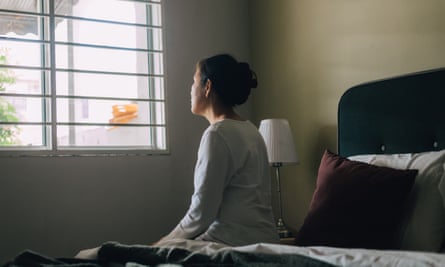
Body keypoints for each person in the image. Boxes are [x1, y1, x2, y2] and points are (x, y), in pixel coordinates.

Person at [156, 54, 279, 246]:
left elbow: (200, 216)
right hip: (266, 242)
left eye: (194, 81)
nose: (190, 89)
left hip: (231, 243)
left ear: (207, 87)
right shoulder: (251, 130)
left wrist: (161, 244)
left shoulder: (217, 134)